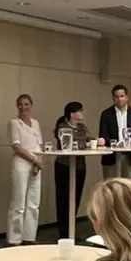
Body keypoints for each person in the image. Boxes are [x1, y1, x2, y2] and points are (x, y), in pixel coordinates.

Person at [7, 94, 44, 246]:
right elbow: (17, 146)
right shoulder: (14, 123)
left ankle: (29, 237)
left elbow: (39, 145)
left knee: (33, 202)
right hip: (21, 163)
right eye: (20, 105)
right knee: (19, 203)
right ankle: (14, 239)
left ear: (31, 105)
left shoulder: (35, 123)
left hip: (36, 164)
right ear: (17, 106)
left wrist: (38, 163)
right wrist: (34, 160)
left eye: (26, 104)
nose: (24, 108)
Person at [52, 101, 91, 241]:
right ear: (72, 114)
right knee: (63, 200)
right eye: (80, 111)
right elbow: (68, 144)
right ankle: (63, 233)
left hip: (80, 166)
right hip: (64, 166)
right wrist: (85, 144)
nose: (82, 113)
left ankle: (72, 230)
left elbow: (89, 140)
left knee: (76, 199)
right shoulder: (62, 127)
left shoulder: (82, 127)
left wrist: (96, 141)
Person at [98, 84, 131, 174]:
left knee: (127, 185)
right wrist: (117, 144)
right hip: (111, 156)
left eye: (122, 96)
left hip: (128, 156)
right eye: (116, 97)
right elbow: (103, 135)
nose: (119, 99)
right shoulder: (106, 114)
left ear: (127, 97)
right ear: (113, 99)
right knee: (111, 185)